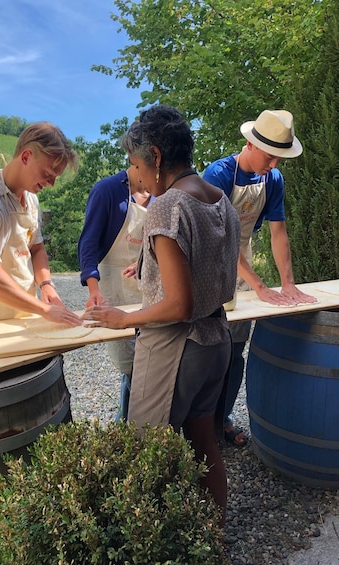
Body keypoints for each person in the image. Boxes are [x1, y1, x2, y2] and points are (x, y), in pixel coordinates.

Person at [83, 104, 240, 526]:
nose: (133, 175)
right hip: (216, 343)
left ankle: (155, 543)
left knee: (146, 452)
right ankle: (211, 535)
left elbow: (179, 304)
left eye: (134, 164)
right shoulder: (220, 199)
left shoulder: (166, 206)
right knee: (203, 439)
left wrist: (123, 319)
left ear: (154, 156)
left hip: (176, 348)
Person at [203, 109, 317, 446]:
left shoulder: (273, 180)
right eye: (270, 157)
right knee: (204, 348)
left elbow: (278, 233)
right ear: (250, 144)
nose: (275, 166)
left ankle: (221, 420)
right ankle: (195, 430)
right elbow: (220, 237)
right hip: (208, 260)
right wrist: (259, 286)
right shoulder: (218, 174)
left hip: (243, 258)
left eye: (280, 159)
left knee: (235, 348)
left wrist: (288, 284)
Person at [0, 122, 82, 326]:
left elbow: (37, 248)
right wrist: (45, 310)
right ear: (25, 157)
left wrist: (46, 284)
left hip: (29, 312)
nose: (51, 184)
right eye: (48, 174)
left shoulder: (31, 198)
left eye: (55, 178)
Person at [78, 165, 153, 420]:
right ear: (135, 161)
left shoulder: (159, 193)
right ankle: (130, 425)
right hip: (115, 285)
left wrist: (146, 259)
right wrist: (93, 289)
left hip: (149, 285)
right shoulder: (107, 190)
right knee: (130, 365)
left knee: (151, 359)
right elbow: (88, 243)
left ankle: (140, 424)